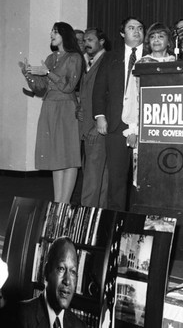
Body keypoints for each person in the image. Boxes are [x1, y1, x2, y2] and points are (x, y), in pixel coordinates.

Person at [21, 22, 83, 203]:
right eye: (51, 32)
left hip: (66, 108)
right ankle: (57, 204)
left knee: (69, 157)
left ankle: (64, 204)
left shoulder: (75, 58)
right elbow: (41, 88)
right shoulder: (50, 57)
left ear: (65, 35)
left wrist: (47, 72)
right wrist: (28, 74)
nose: (51, 35)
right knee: (56, 158)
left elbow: (69, 86)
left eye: (55, 32)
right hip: (49, 106)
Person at [93, 16, 145, 211]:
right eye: (131, 28)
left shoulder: (151, 55)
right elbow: (99, 89)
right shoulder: (110, 57)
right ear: (123, 33)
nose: (137, 31)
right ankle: (116, 224)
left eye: (140, 28)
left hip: (145, 125)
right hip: (116, 124)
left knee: (142, 180)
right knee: (117, 180)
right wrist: (100, 116)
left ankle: (138, 224)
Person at [17, 237, 86, 328]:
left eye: (73, 272)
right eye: (61, 269)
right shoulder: (20, 315)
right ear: (46, 271)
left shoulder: (79, 326)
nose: (67, 281)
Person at [77, 28, 109, 208]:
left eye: (90, 39)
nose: (86, 43)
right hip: (87, 127)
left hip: (98, 128)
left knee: (92, 180)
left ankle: (85, 221)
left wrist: (98, 124)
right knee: (99, 178)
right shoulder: (87, 63)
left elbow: (110, 96)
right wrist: (79, 109)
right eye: (84, 40)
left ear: (102, 41)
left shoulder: (107, 61)